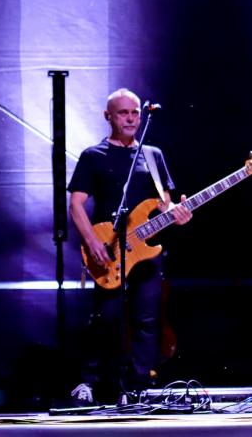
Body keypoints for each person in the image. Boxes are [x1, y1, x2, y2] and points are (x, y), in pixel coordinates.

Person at [67, 89, 192, 404]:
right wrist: (92, 241)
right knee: (105, 317)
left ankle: (137, 386)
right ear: (108, 116)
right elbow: (76, 204)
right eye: (123, 112)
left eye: (135, 112)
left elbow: (163, 204)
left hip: (147, 251)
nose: (131, 118)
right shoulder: (93, 155)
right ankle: (89, 382)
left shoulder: (153, 155)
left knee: (147, 319)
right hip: (108, 249)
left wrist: (177, 213)